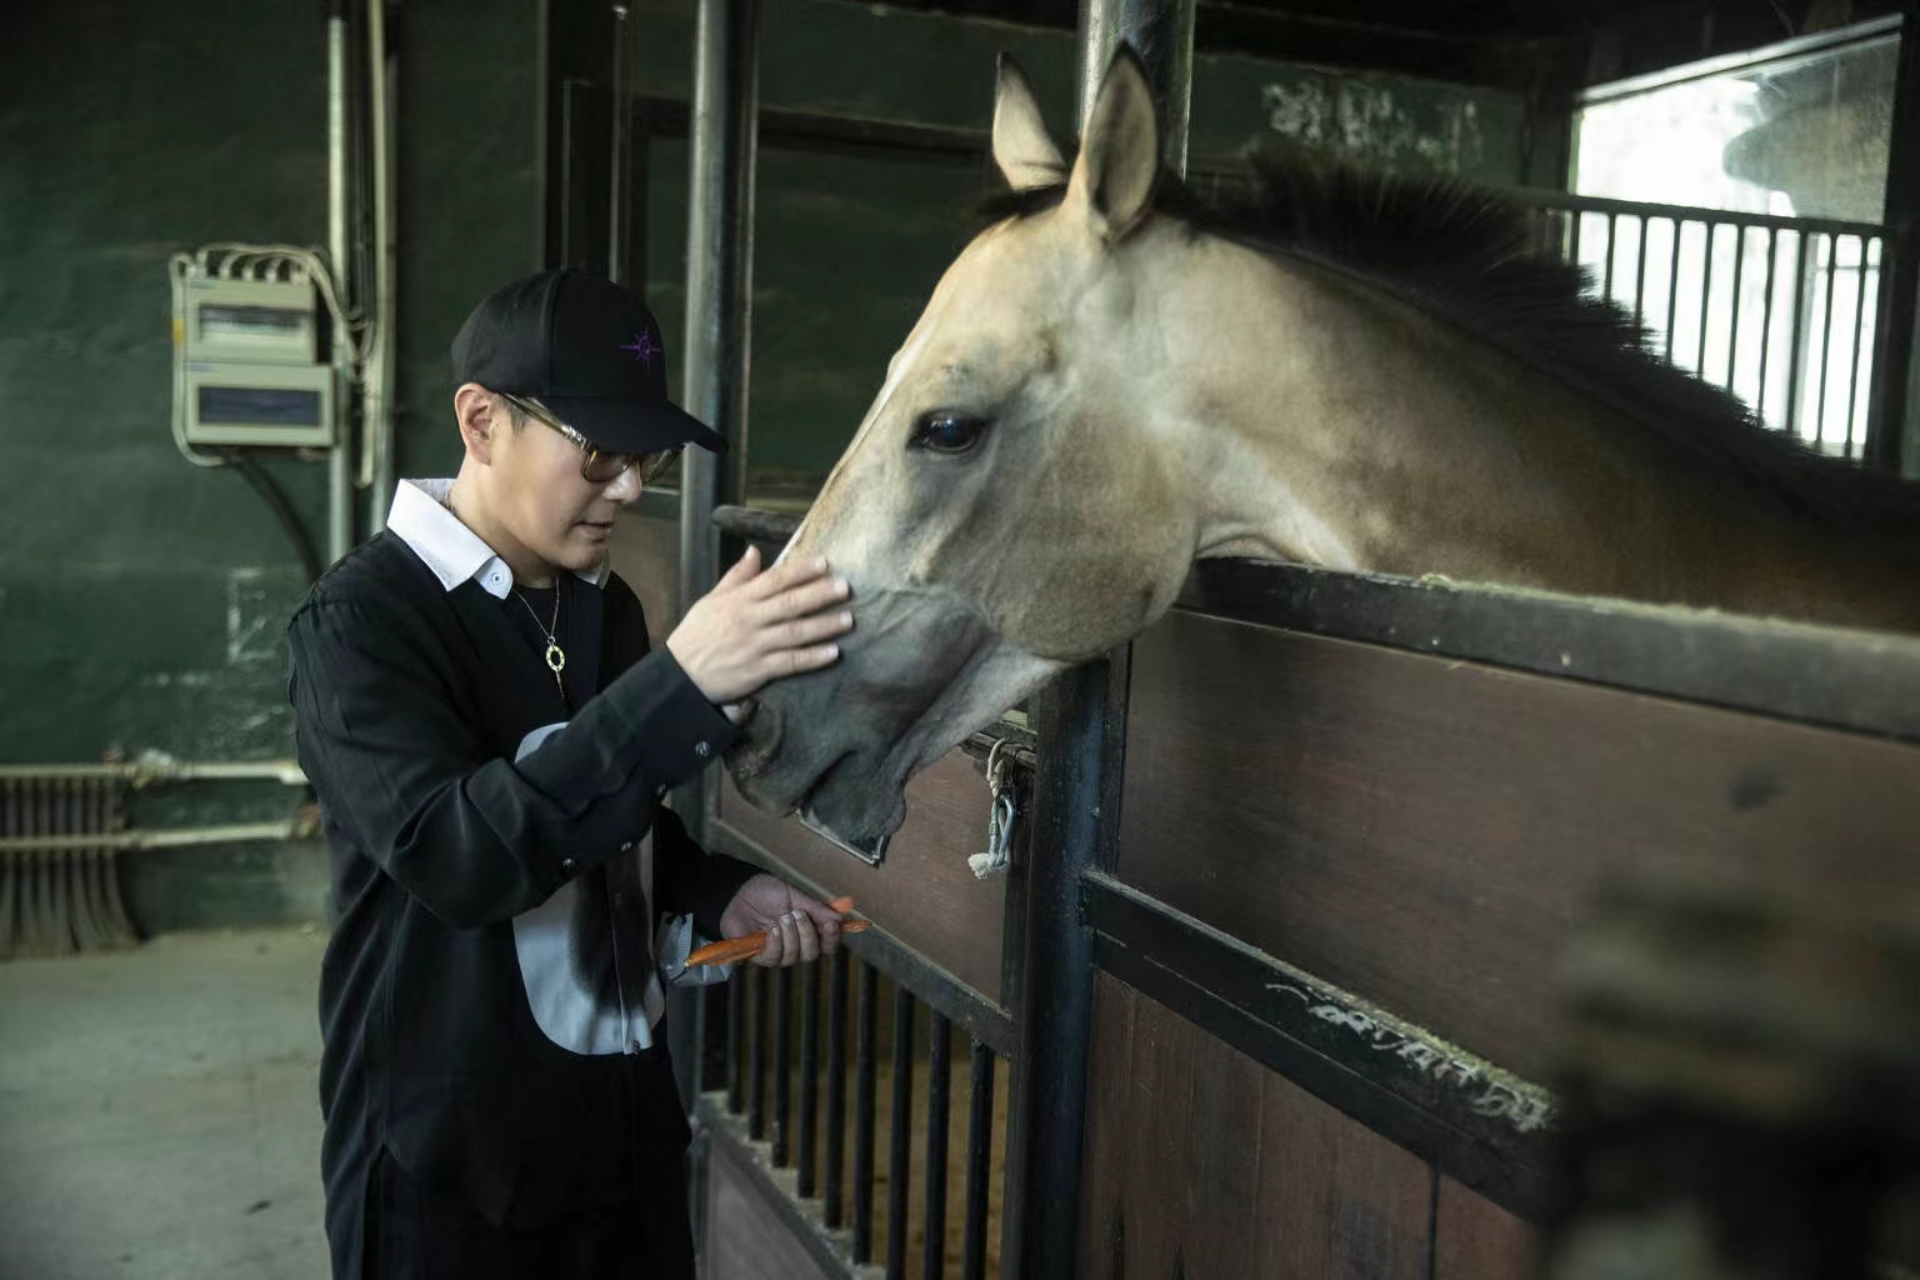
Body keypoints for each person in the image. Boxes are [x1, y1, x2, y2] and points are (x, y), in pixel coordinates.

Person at [287, 267, 854, 1279]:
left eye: (643, 457)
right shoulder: (362, 622)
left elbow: (617, 821)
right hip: (451, 1168)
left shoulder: (602, 604)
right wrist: (682, 682)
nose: (629, 488)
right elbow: (460, 854)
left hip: (622, 1143)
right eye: (598, 454)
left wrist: (722, 891)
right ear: (480, 423)